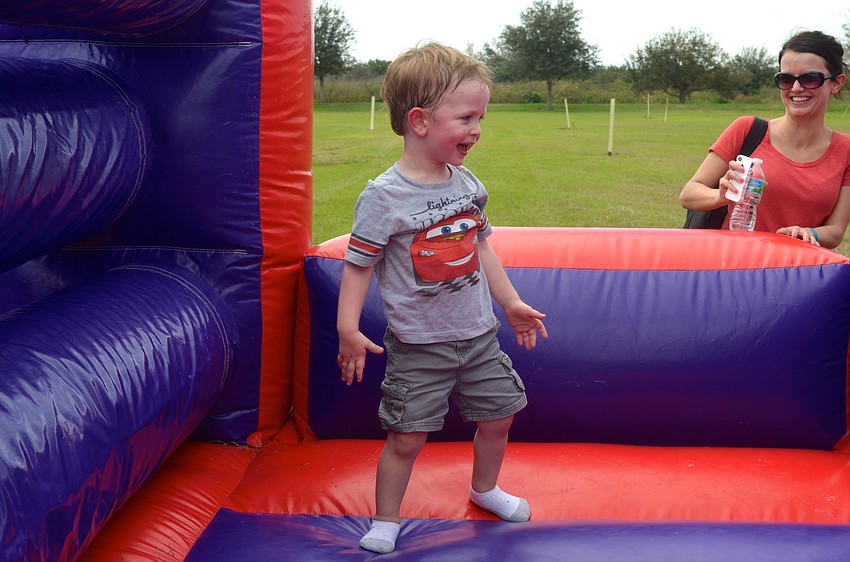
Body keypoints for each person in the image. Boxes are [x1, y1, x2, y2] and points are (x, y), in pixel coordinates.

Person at [336, 42, 548, 554]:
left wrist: (511, 303)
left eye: (480, 118)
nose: (477, 130)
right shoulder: (384, 197)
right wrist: (347, 329)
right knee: (407, 436)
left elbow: (481, 248)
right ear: (420, 121)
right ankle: (387, 518)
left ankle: (485, 489)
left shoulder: (467, 184)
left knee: (499, 416)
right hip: (419, 346)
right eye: (466, 118)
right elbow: (359, 265)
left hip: (478, 337)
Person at [679, 30, 850, 249]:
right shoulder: (747, 129)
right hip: (731, 263)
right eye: (786, 79)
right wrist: (720, 196)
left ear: (836, 83)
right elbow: (689, 194)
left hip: (795, 268)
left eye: (810, 78)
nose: (796, 88)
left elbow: (835, 231)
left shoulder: (846, 151)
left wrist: (809, 232)